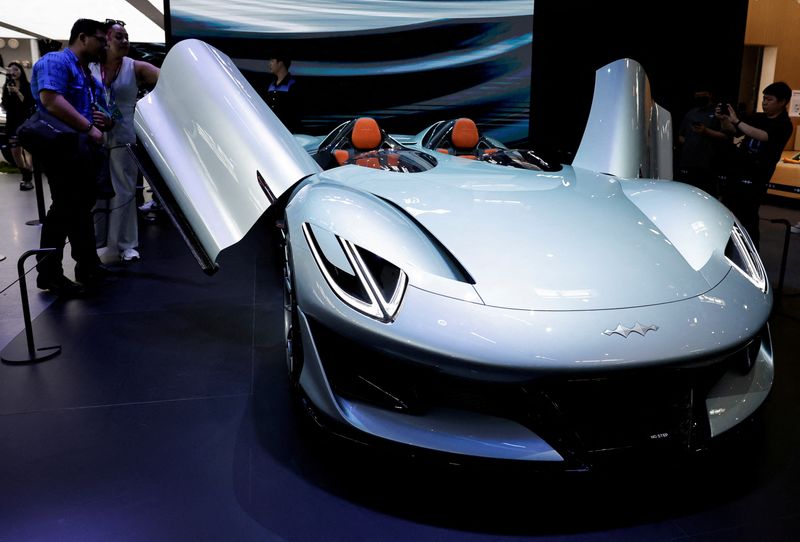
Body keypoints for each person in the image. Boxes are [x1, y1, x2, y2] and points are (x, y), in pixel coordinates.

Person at [30, 18, 115, 297]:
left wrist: (101, 119)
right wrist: (89, 127)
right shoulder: (55, 61)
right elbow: (51, 100)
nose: (105, 44)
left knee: (79, 208)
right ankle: (49, 274)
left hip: (79, 149)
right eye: (101, 40)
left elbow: (85, 106)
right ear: (83, 37)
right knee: (64, 210)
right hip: (61, 148)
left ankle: (87, 264)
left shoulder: (82, 70)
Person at [91, 19, 160, 262]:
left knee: (125, 192)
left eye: (126, 37)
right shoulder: (90, 66)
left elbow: (167, 79)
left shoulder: (135, 67)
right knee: (97, 191)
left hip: (123, 136)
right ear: (105, 39)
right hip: (94, 136)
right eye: (119, 36)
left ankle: (127, 244)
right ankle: (98, 242)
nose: (125, 41)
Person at [717, 82, 793, 248]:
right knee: (727, 212)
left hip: (756, 178)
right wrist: (724, 120)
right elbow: (732, 131)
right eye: (764, 99)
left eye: (769, 99)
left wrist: (737, 122)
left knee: (748, 218)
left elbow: (764, 136)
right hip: (737, 172)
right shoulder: (757, 117)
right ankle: (726, 248)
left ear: (782, 102)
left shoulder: (784, 124)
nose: (764, 102)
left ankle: (751, 254)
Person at [676, 90, 726, 197]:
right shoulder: (691, 113)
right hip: (688, 161)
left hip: (708, 163)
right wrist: (689, 145)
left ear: (710, 94)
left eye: (703, 94)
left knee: (707, 195)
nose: (700, 97)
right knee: (687, 194)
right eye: (697, 95)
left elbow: (725, 136)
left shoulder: (717, 113)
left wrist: (706, 131)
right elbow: (681, 135)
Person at [2, 61, 36, 190]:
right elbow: (5, 105)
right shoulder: (7, 87)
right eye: (11, 70)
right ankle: (26, 173)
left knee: (27, 150)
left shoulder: (27, 86)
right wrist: (9, 94)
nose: (13, 72)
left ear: (21, 71)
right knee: (15, 151)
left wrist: (17, 92)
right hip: (12, 122)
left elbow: (28, 104)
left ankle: (27, 175)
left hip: (25, 121)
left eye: (16, 69)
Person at [266, 57, 300, 132]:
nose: (269, 64)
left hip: (286, 132)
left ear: (280, 63)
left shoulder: (292, 85)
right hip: (271, 130)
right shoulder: (271, 85)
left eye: (272, 61)